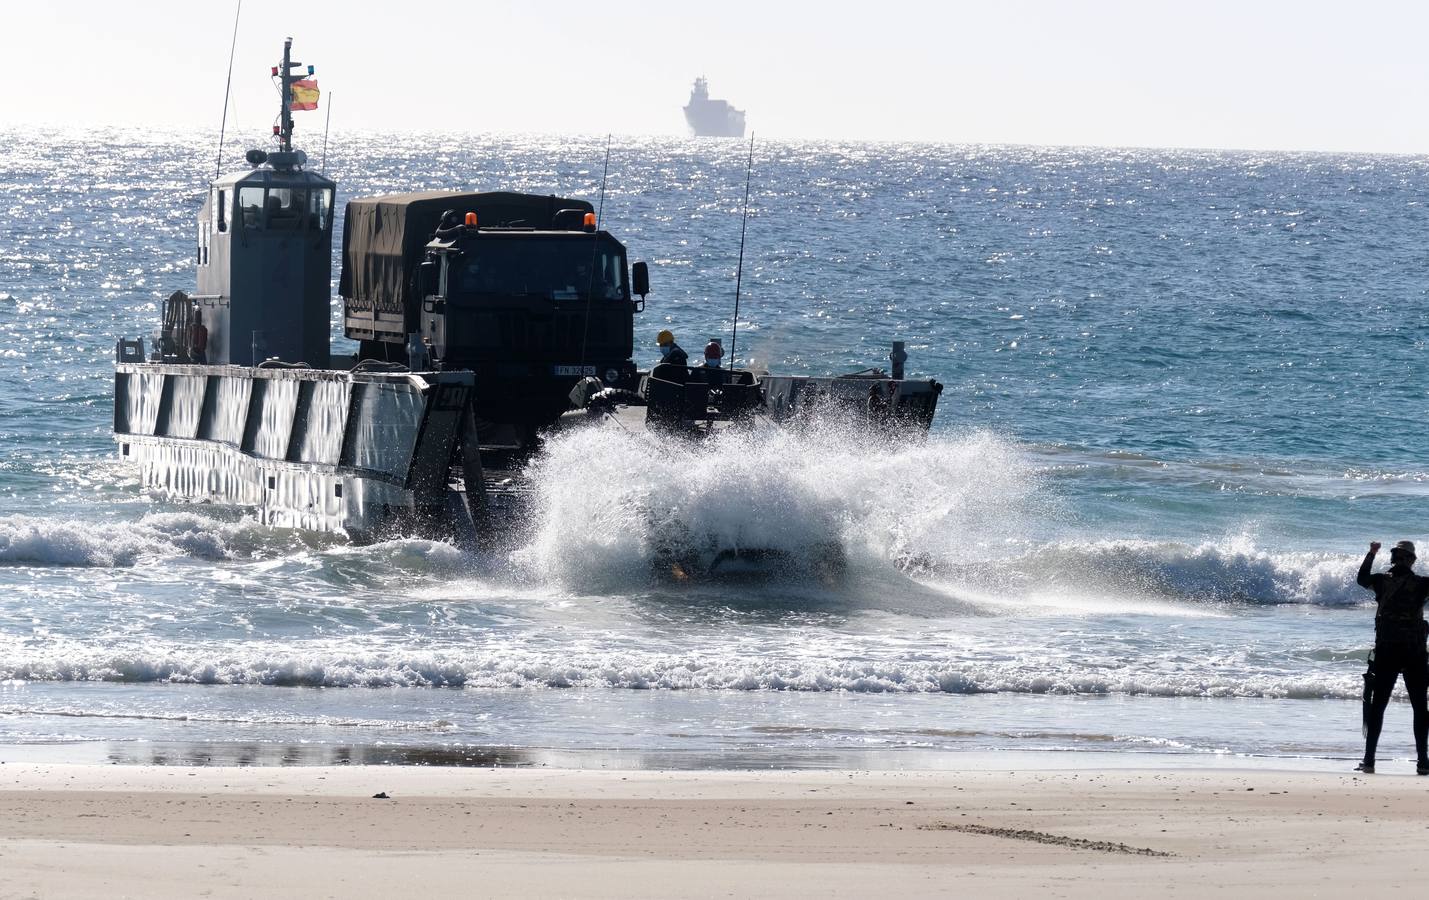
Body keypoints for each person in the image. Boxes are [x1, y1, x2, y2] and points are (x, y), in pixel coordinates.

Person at [1356, 539, 1429, 774]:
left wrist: (1371, 553)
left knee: (1378, 707)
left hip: (1387, 651)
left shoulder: (1380, 581)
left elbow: (1361, 579)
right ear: (1412, 560)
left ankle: (1369, 761)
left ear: (1392, 558)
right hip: (1414, 652)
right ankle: (1423, 762)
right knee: (1420, 707)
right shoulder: (1421, 584)